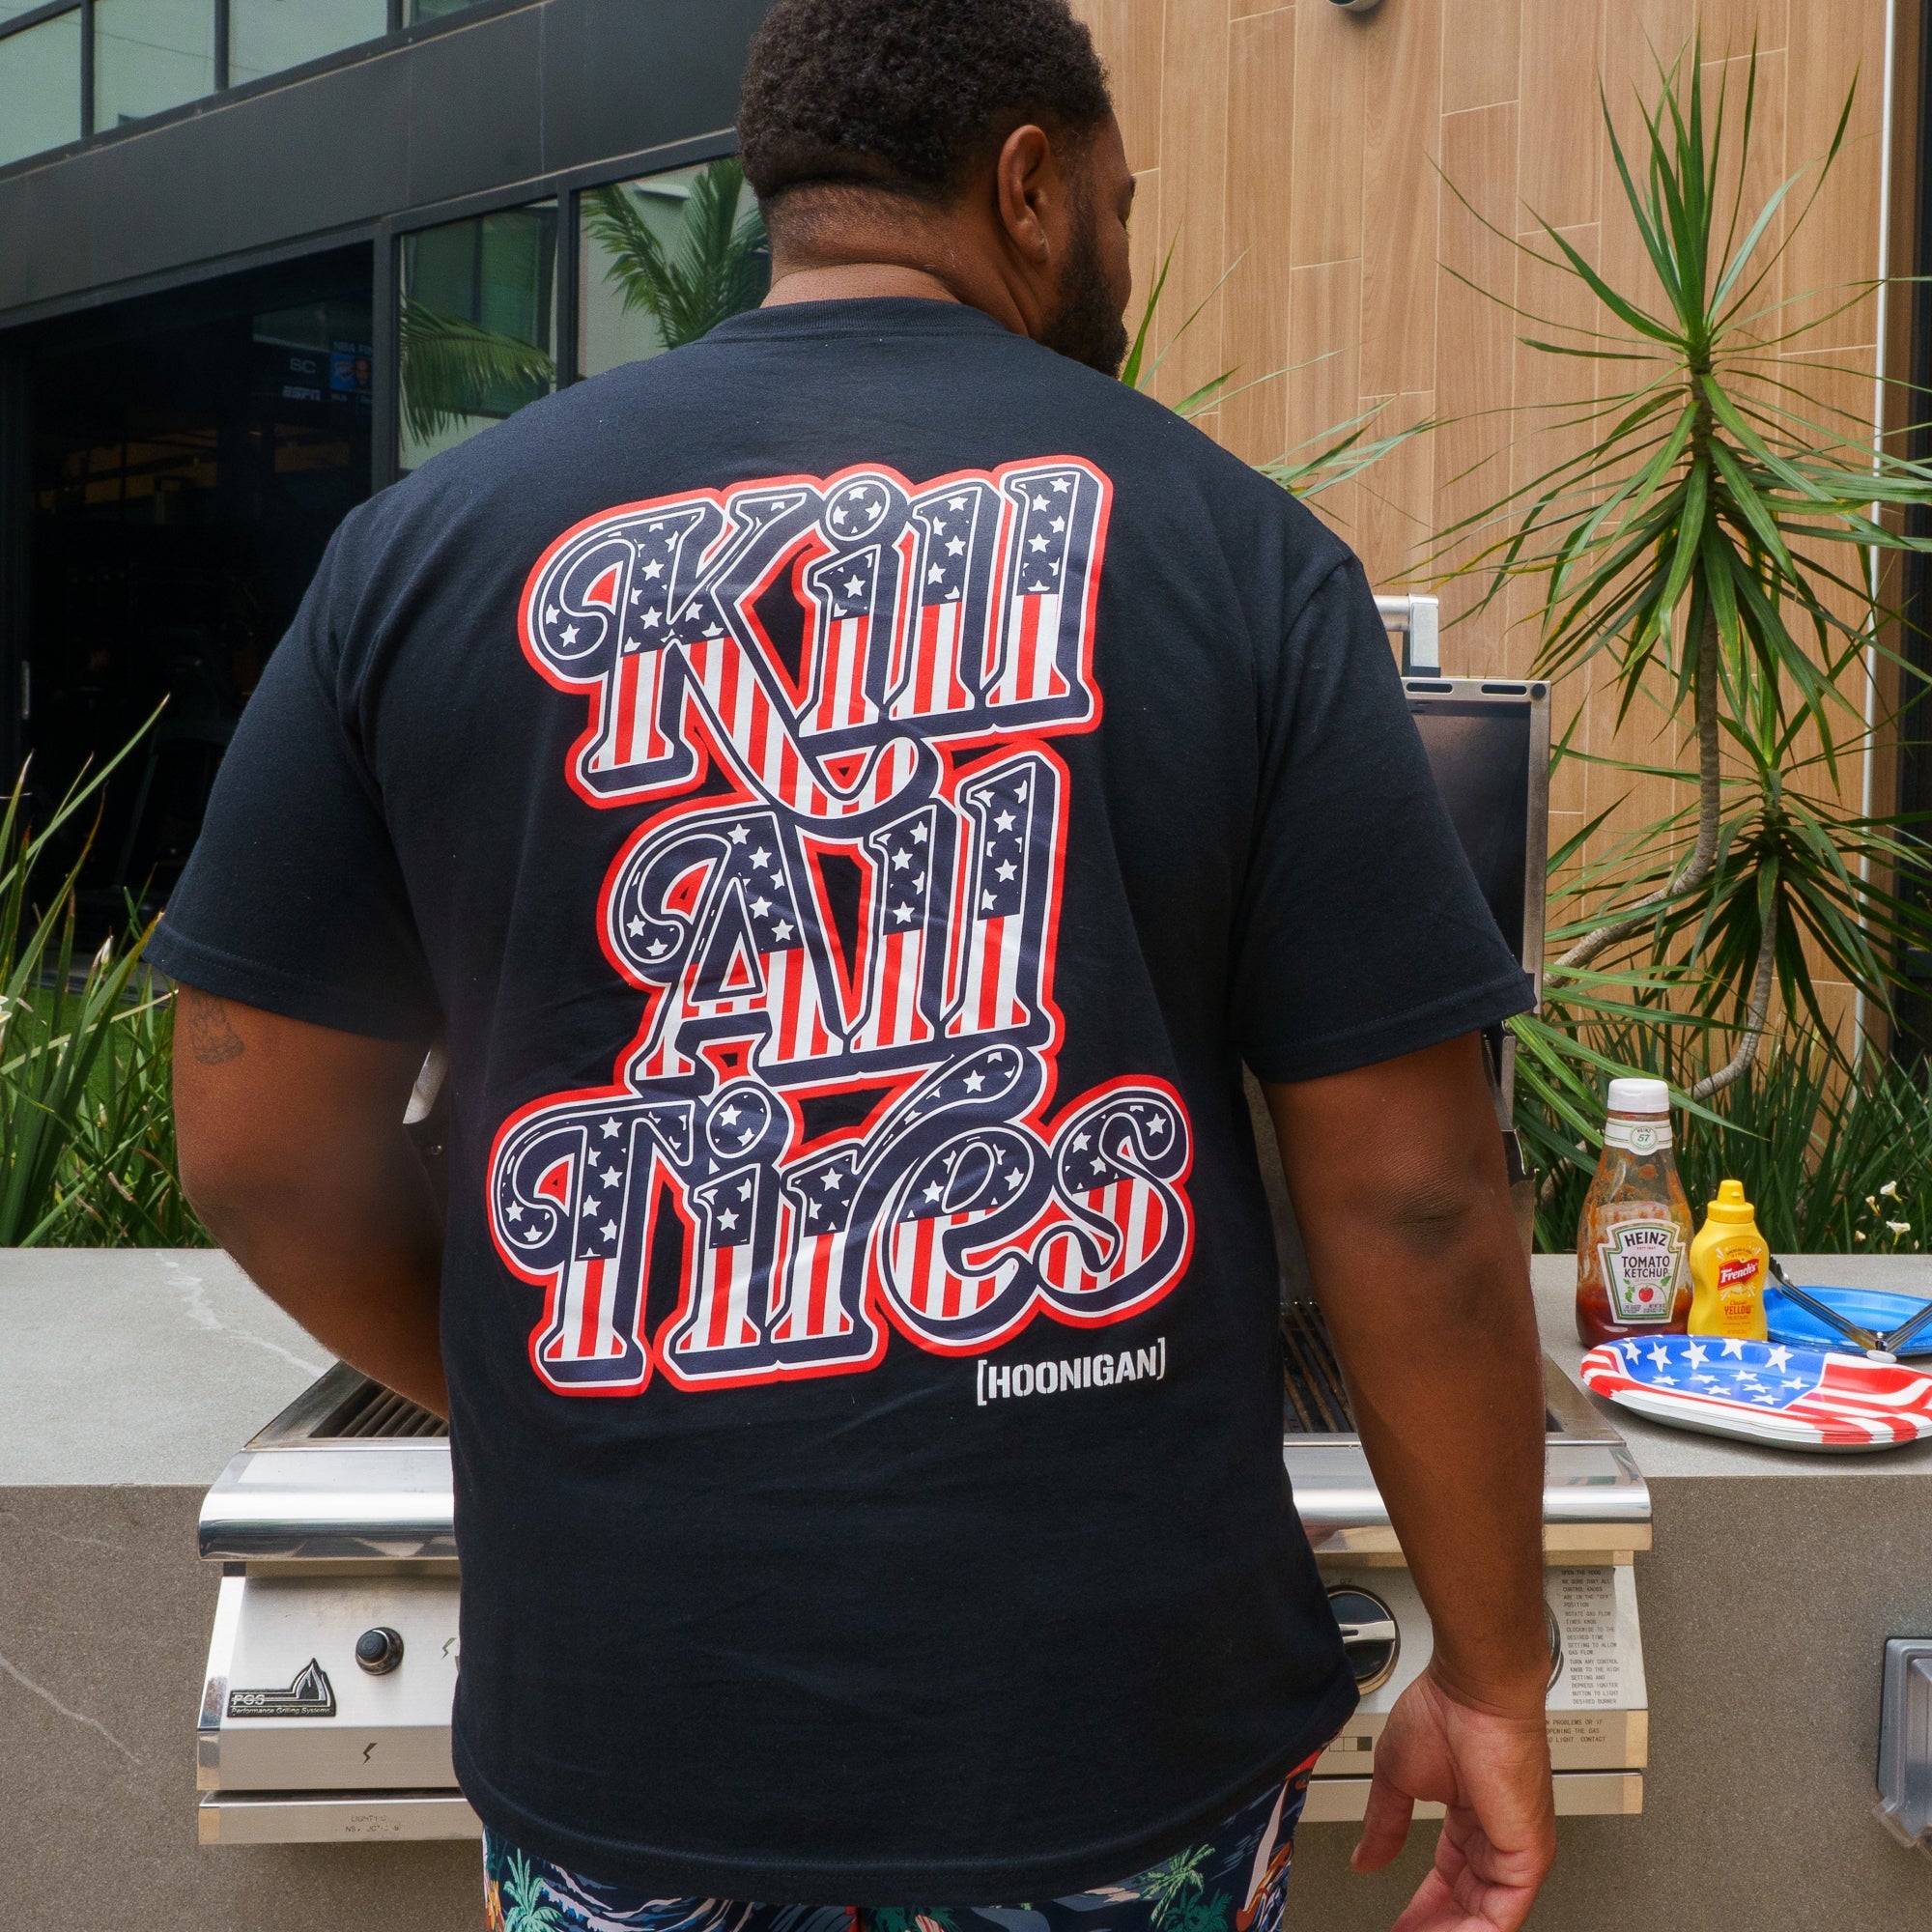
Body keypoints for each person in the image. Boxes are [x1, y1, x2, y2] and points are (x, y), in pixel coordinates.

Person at [156, 1, 1557, 1926]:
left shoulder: (420, 552)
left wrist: (550, 1396)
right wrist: (1494, 1673)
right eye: (1122, 205)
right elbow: (1413, 1198)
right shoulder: (1245, 559)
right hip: (1113, 1742)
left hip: (628, 1734)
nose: (1123, 258)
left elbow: (250, 1141)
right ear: (1030, 184)